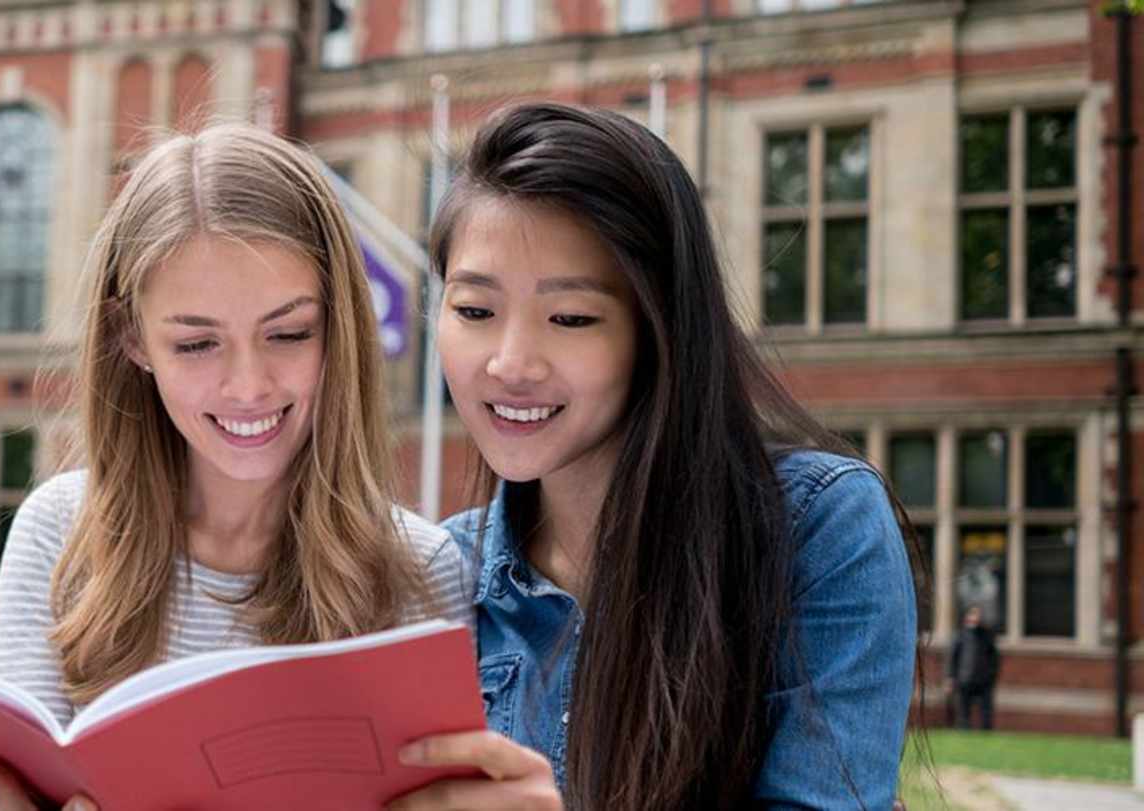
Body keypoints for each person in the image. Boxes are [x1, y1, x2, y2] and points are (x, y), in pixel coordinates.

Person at [388, 102, 918, 811]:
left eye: (570, 318)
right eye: (475, 311)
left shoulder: (820, 526)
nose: (510, 364)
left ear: (659, 327)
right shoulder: (442, 571)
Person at [0, 122, 477, 810]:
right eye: (197, 343)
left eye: (288, 332)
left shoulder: (424, 571)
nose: (248, 385)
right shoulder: (57, 535)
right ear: (133, 339)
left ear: (339, 326)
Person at [949, 605, 999, 730]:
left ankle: (986, 731)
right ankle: (964, 729)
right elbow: (953, 658)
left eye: (977, 615)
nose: (975, 618)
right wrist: (951, 677)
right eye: (972, 615)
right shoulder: (961, 636)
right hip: (965, 678)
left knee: (986, 710)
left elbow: (994, 658)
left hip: (983, 680)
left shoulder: (987, 636)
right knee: (964, 710)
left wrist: (991, 675)